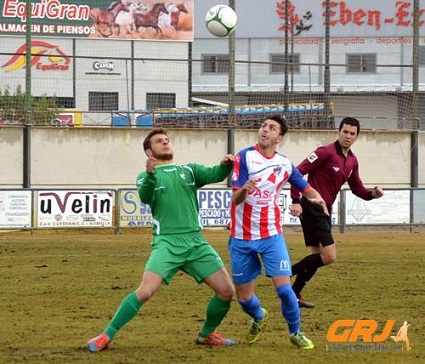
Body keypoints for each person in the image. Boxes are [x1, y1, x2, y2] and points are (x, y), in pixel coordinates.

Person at [87, 128, 236, 352]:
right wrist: (149, 174)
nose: (165, 143)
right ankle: (105, 336)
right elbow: (146, 196)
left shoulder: (190, 170)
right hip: (167, 243)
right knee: (145, 291)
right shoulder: (145, 176)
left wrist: (226, 164)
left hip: (195, 242)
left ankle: (207, 334)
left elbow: (215, 174)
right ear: (149, 151)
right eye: (159, 141)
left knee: (227, 291)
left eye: (167, 140)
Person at [228, 114, 328, 349]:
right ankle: (259, 316)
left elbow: (305, 187)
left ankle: (296, 331)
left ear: (279, 138)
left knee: (284, 291)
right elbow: (235, 197)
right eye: (263, 126)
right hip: (242, 237)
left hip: (271, 235)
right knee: (243, 299)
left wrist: (317, 199)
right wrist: (244, 188)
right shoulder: (244, 157)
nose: (265, 130)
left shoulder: (284, 163)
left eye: (271, 128)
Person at [289, 117, 384, 309]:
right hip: (311, 205)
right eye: (345, 132)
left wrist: (373, 194)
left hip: (324, 209)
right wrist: (296, 200)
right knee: (330, 256)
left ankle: (293, 294)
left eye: (352, 133)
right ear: (338, 132)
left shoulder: (352, 161)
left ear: (357, 136)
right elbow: (296, 172)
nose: (348, 136)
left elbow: (357, 188)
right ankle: (284, 274)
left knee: (317, 255)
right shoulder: (324, 152)